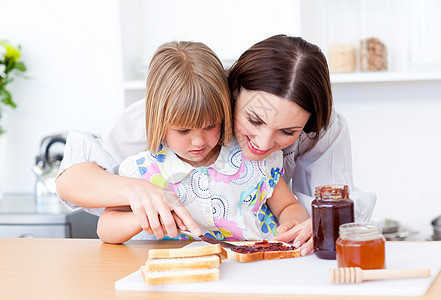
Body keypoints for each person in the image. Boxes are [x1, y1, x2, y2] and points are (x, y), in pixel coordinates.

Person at [56, 35, 375, 255]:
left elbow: (332, 205)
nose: (264, 145)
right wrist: (135, 193)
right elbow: (74, 179)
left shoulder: (311, 135)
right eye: (254, 120)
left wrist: (308, 223)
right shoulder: (177, 108)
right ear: (231, 92)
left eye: (288, 131)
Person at [95, 41, 308, 244]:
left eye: (210, 126)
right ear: (158, 120)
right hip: (180, 274)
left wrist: (292, 222)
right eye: (183, 130)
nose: (198, 141)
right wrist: (144, 217)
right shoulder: (143, 171)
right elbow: (105, 228)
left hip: (256, 265)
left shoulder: (253, 160)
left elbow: (287, 206)